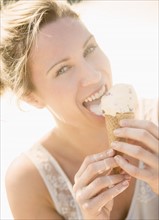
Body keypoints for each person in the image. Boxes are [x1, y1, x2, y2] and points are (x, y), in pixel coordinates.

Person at [1, 0, 158, 219]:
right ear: (32, 98)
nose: (94, 76)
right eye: (63, 69)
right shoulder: (29, 182)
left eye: (89, 49)